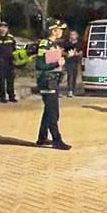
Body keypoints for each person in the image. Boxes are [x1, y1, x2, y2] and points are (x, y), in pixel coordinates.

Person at [35, 21, 71, 150]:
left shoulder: (54, 44)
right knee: (53, 112)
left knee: (49, 111)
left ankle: (42, 138)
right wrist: (57, 64)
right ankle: (57, 140)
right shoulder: (45, 44)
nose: (61, 32)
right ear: (53, 30)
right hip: (47, 81)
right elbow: (40, 65)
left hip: (53, 80)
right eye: (60, 29)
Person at [0, 21, 18, 103]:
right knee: (1, 80)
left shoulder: (11, 38)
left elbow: (14, 49)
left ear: (7, 29)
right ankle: (2, 97)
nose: (3, 29)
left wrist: (15, 59)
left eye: (5, 27)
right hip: (0, 61)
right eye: (1, 27)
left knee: (10, 80)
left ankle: (11, 96)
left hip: (9, 61)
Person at [61, 28, 82, 97]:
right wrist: (67, 54)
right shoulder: (66, 43)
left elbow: (81, 51)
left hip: (76, 61)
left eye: (74, 34)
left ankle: (73, 90)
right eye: (72, 34)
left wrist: (78, 54)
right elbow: (62, 51)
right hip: (68, 61)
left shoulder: (79, 43)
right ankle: (70, 91)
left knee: (75, 76)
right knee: (70, 75)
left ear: (77, 35)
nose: (73, 36)